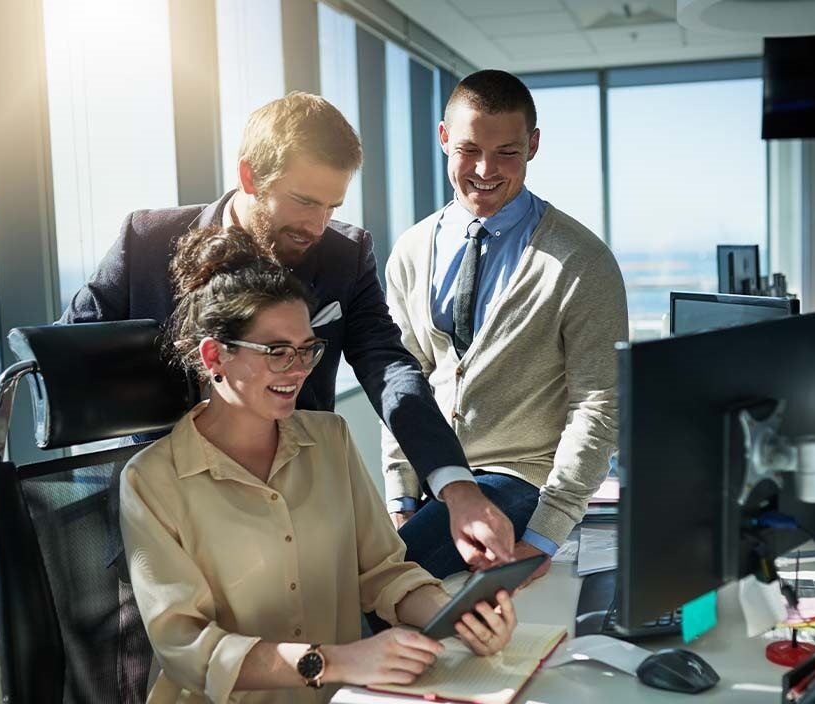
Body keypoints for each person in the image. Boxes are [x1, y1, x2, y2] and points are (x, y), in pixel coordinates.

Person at [61, 92, 513, 573]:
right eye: (303, 201)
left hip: (293, 523)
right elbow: (69, 362)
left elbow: (389, 367)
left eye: (332, 206)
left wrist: (455, 485)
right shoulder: (147, 241)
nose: (317, 226)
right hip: (165, 521)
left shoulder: (346, 254)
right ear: (249, 175)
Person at [120, 226, 517, 704]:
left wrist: (456, 612)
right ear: (215, 355)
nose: (299, 368)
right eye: (277, 352)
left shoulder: (330, 439)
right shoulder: (150, 481)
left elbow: (382, 572)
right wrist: (338, 661)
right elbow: (188, 649)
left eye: (308, 348)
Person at [384, 70, 629, 581]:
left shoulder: (582, 261)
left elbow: (598, 405)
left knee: (389, 580)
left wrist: (544, 535)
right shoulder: (411, 250)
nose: (485, 169)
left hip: (520, 480)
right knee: (361, 569)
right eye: (469, 149)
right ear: (443, 138)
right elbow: (405, 380)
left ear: (533, 145)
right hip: (439, 478)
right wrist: (401, 494)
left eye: (508, 152)